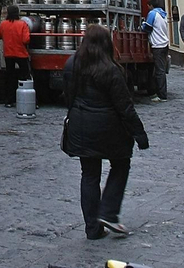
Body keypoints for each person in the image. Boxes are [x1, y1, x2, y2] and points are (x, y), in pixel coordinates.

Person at [62, 24, 149, 239]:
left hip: (81, 126)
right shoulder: (111, 69)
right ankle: (108, 211)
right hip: (109, 128)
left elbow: (67, 96)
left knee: (89, 174)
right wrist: (139, 134)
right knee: (121, 163)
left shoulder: (72, 64)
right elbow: (124, 106)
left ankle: (92, 228)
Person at [0, 4, 31, 106]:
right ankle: (27, 99)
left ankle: (9, 100)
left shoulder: (3, 24)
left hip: (8, 53)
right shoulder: (22, 24)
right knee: (26, 76)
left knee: (9, 77)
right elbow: (26, 39)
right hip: (21, 53)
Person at [142, 2, 169, 101]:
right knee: (160, 70)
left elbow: (147, 28)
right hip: (164, 44)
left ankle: (162, 95)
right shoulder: (163, 14)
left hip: (158, 45)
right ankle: (160, 92)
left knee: (159, 71)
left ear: (151, 5)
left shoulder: (153, 13)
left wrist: (142, 25)